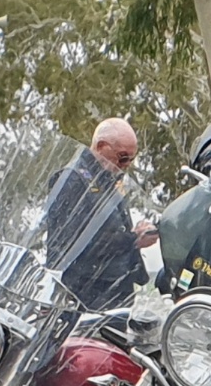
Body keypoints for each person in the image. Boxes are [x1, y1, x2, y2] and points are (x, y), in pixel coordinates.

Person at [48, 118, 147, 310]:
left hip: (115, 288)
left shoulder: (108, 180)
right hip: (86, 291)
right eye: (123, 157)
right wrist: (133, 239)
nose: (126, 164)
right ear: (102, 147)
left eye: (131, 159)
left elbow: (116, 226)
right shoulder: (72, 179)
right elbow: (78, 241)